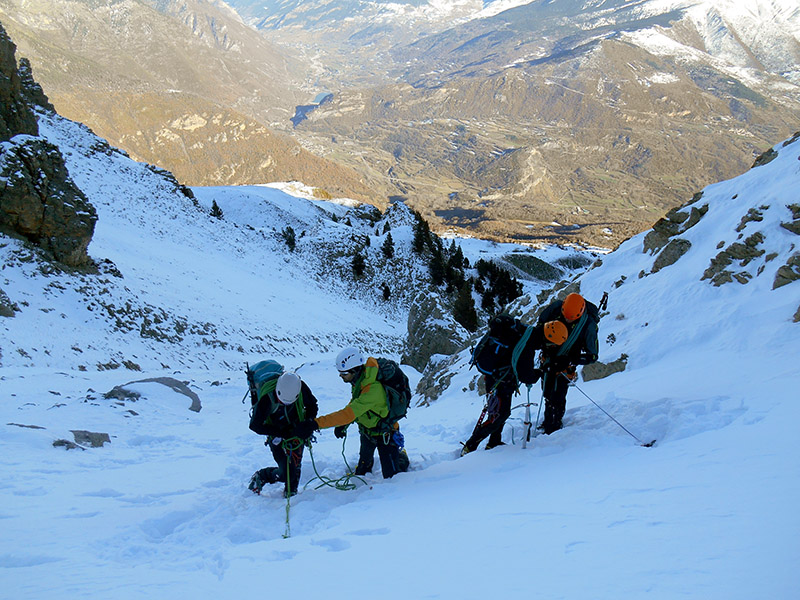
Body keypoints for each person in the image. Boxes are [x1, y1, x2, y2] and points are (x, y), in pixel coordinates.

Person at [293, 347, 410, 479]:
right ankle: (366, 467)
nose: (341, 376)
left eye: (344, 373)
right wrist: (344, 425)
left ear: (355, 370)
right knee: (362, 469)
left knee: (392, 476)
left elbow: (349, 413)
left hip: (385, 433)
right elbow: (355, 403)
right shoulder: (360, 380)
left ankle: (401, 456)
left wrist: (314, 424)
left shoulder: (373, 390)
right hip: (367, 430)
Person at [461, 316, 567, 456]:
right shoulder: (527, 345)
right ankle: (470, 446)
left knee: (500, 412)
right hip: (499, 380)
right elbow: (526, 376)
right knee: (500, 414)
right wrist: (541, 372)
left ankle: (494, 442)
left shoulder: (527, 332)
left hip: (501, 378)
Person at [536, 292, 599, 434]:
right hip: (548, 359)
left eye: (572, 319)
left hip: (565, 365)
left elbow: (592, 356)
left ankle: (555, 423)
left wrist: (571, 359)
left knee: (558, 394)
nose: (567, 320)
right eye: (565, 317)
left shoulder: (588, 325)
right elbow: (540, 328)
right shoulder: (555, 310)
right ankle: (548, 421)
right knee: (547, 392)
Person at [248, 372, 319, 497]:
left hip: (297, 430)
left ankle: (291, 492)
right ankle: (263, 475)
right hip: (276, 433)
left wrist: (308, 423)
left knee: (295, 465)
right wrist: (280, 432)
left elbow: (312, 406)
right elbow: (255, 425)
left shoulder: (300, 387)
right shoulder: (267, 399)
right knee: (285, 472)